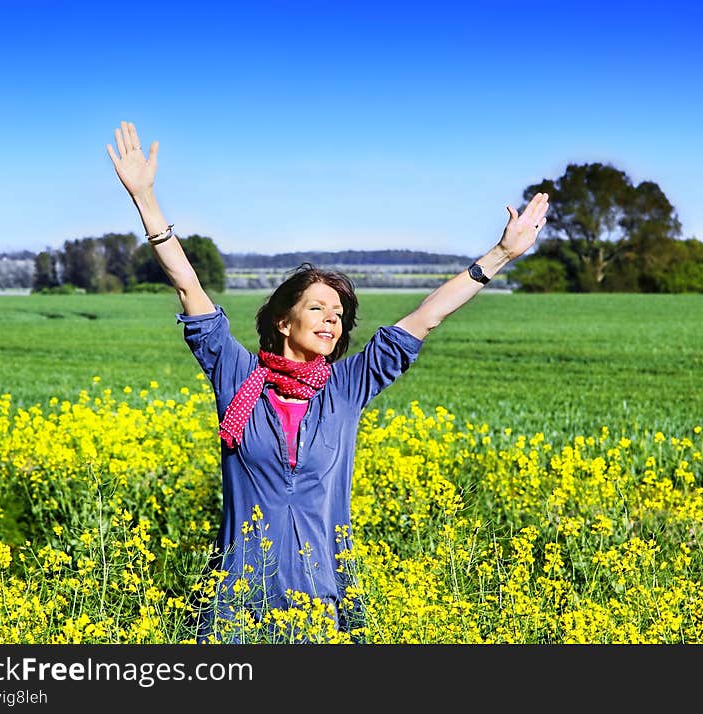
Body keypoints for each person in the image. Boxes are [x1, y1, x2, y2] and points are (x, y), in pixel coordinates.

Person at [107, 120, 549, 643]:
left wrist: (499, 256)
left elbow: (425, 317)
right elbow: (187, 284)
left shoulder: (347, 386)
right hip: (236, 599)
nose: (330, 320)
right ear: (282, 320)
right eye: (316, 308)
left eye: (338, 313)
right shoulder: (236, 374)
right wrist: (146, 198)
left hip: (324, 598)